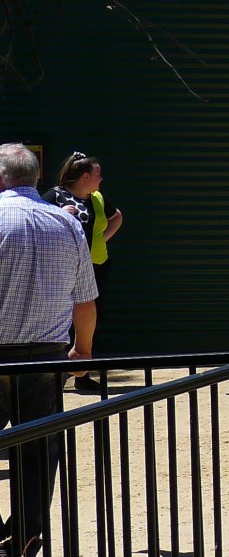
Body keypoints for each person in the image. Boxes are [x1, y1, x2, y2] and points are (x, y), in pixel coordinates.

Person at [0, 143, 97, 557]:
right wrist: (83, 350)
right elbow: (85, 301)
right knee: (38, 455)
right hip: (46, 357)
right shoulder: (67, 223)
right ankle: (23, 549)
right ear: (37, 177)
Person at [44, 152, 121, 391]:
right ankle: (56, 374)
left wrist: (100, 241)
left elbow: (116, 217)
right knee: (61, 320)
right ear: (86, 176)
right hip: (61, 270)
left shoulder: (96, 198)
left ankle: (82, 373)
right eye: (99, 175)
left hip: (94, 267)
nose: (101, 180)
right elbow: (38, 223)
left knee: (88, 321)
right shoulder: (54, 196)